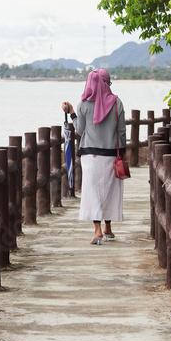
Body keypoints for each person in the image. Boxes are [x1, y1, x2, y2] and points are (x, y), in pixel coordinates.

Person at [62, 68, 126, 245]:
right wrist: (123, 151)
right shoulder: (117, 103)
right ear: (107, 83)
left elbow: (80, 130)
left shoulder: (83, 104)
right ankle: (108, 228)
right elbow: (121, 131)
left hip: (90, 156)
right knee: (110, 191)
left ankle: (97, 231)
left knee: (93, 192)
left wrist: (72, 113)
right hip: (111, 155)